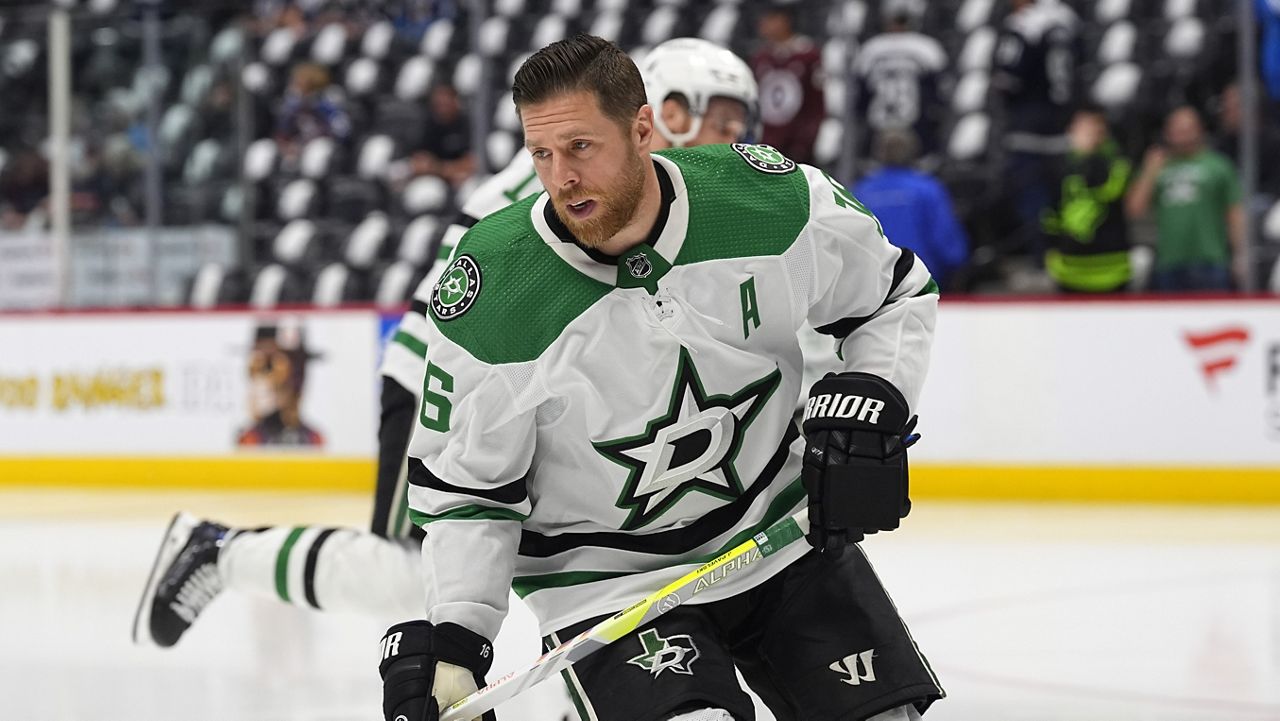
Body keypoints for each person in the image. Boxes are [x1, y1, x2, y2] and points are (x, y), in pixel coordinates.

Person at [131, 38, 761, 703]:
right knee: (419, 573)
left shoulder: (669, 189)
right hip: (451, 387)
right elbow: (468, 314)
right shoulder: (549, 186)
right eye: (713, 118)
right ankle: (223, 552)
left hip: (530, 393)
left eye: (734, 122)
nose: (727, 136)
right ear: (657, 109)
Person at [376, 34, 942, 721]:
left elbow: (892, 293)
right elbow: (470, 492)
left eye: (581, 147)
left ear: (643, 128)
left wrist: (878, 392)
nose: (562, 178)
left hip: (780, 534)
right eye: (542, 154)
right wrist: (457, 640)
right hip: (611, 585)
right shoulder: (496, 291)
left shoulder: (769, 201)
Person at [1125, 106, 1246, 291]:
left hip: (1210, 260)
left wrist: (1240, 254)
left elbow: (1234, 212)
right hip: (1169, 262)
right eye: (1176, 130)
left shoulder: (1218, 166)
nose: (1181, 135)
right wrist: (1149, 172)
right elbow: (1134, 209)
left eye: (1187, 129)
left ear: (1199, 130)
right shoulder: (1158, 167)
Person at [992, 0, 1080, 253]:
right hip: (1062, 122)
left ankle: (1039, 256)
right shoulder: (1067, 17)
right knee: (1063, 193)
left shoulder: (1022, 23)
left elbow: (1009, 78)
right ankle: (1066, 250)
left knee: (1031, 194)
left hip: (1028, 123)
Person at [852, 129, 969, 290]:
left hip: (873, 287)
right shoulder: (928, 189)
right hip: (921, 282)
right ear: (914, 151)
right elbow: (946, 243)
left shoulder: (861, 191)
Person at [1041, 105, 1132, 293]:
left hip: (1111, 270)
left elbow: (1113, 192)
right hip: (1069, 270)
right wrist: (1050, 250)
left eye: (1095, 127)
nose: (1089, 132)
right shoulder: (1058, 166)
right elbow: (1050, 212)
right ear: (1071, 130)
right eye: (1083, 127)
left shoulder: (1116, 162)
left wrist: (1089, 157)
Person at [854, 1, 949, 159]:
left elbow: (861, 100)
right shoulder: (928, 48)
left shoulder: (870, 49)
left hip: (882, 125)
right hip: (914, 124)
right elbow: (938, 96)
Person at [751, 5, 825, 165]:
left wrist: (806, 140)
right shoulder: (761, 56)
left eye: (769, 19)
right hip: (767, 141)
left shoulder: (808, 55)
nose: (762, 24)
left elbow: (816, 105)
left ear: (785, 21)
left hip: (797, 141)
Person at [235, 322, 325, 447]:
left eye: (299, 369)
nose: (295, 379)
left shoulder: (312, 439)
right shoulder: (250, 439)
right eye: (267, 367)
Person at [409, 83, 477, 188]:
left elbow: (473, 162)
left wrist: (438, 167)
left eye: (446, 102)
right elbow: (418, 163)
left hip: (463, 178)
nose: (442, 106)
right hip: (435, 178)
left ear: (455, 101)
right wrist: (444, 170)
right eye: (438, 103)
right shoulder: (427, 124)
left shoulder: (467, 123)